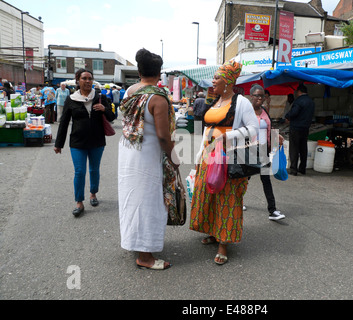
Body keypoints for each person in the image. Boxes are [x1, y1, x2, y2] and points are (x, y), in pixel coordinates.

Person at [190, 60, 259, 265]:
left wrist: (229, 136)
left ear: (228, 81)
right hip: (208, 156)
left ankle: (223, 244)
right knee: (208, 193)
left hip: (228, 158)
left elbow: (254, 129)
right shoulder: (216, 100)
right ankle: (213, 232)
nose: (213, 81)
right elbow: (206, 130)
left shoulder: (241, 102)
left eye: (217, 78)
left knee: (226, 199)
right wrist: (199, 153)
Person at [118, 48, 176, 270]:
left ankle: (135, 241)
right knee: (148, 201)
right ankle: (145, 256)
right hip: (147, 155)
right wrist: (174, 157)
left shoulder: (130, 91)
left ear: (139, 71)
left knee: (132, 198)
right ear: (159, 72)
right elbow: (163, 135)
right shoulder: (158, 98)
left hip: (128, 151)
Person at [54, 69, 115, 217]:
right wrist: (59, 144)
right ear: (78, 80)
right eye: (84, 78)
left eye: (90, 78)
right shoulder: (71, 99)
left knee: (94, 169)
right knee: (80, 171)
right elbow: (64, 123)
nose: (88, 81)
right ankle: (79, 202)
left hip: (97, 141)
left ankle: (93, 194)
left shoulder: (100, 97)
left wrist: (104, 109)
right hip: (78, 142)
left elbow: (112, 117)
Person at [248, 84, 285, 221]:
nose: (260, 98)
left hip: (263, 151)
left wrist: (277, 138)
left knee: (266, 179)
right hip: (249, 151)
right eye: (257, 95)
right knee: (244, 178)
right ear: (251, 96)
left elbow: (270, 127)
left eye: (262, 96)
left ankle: (273, 210)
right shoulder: (246, 112)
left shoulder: (264, 111)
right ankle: (238, 202)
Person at [285, 83, 315, 176]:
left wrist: (287, 116)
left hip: (296, 127)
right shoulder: (311, 101)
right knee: (303, 148)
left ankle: (294, 169)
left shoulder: (298, 101)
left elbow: (294, 113)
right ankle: (302, 168)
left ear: (299, 91)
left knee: (294, 148)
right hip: (305, 128)